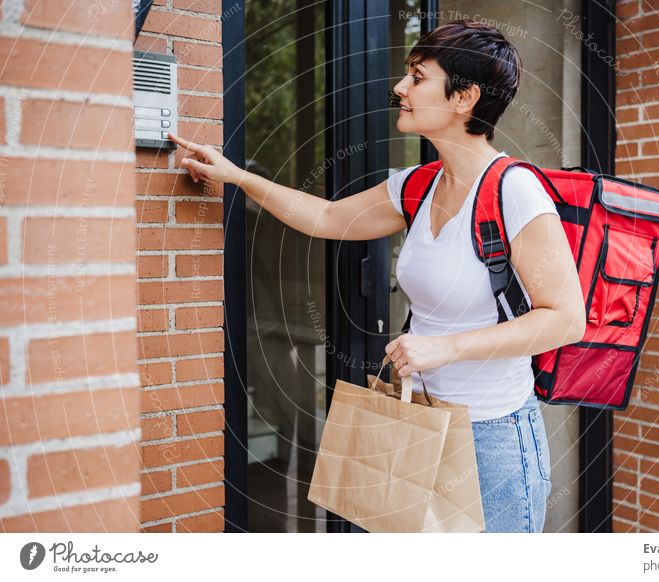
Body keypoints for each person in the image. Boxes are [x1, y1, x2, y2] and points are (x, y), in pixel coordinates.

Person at [168, 19, 585, 533]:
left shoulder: (515, 192)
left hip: (492, 442)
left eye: (417, 76)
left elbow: (567, 319)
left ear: (465, 98)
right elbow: (327, 218)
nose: (400, 88)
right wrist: (235, 175)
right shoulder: (417, 185)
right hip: (424, 426)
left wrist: (443, 347)